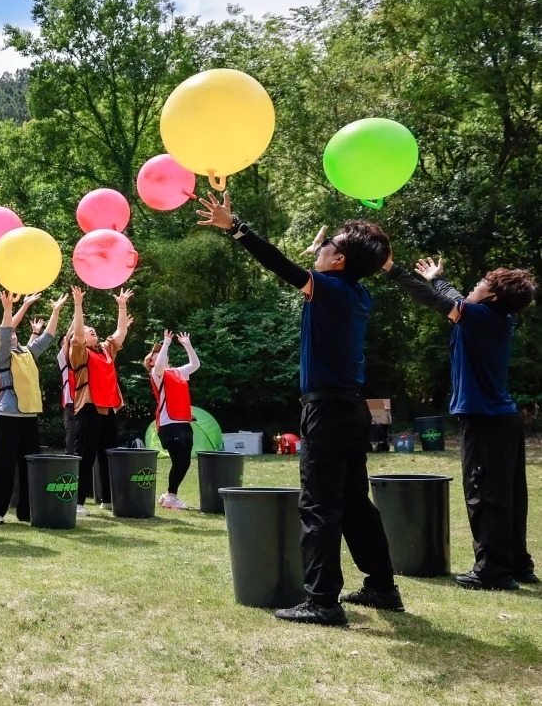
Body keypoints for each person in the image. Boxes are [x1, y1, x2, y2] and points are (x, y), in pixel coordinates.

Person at [199, 193, 400, 626]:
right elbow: (315, 276)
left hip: (326, 412)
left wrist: (236, 227)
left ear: (340, 261)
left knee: (318, 505)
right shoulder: (358, 294)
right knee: (354, 502)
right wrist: (322, 260)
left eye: (331, 246)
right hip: (350, 410)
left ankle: (322, 601)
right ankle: (383, 586)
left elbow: (282, 267)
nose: (323, 247)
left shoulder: (328, 288)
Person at [386, 255, 537, 589]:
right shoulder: (491, 316)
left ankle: (493, 572)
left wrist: (392, 270)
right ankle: (516, 564)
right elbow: (452, 297)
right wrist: (436, 277)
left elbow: (440, 302)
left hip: (485, 420)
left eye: (482, 282)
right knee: (509, 495)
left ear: (493, 296)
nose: (475, 284)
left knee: (484, 495)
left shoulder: (482, 317)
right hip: (501, 420)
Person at [0, 291, 65, 525]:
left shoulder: (28, 352)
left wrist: (56, 311)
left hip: (29, 415)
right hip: (7, 415)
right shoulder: (0, 357)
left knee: (30, 464)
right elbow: (3, 334)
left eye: (13, 335)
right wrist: (9, 308)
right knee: (4, 465)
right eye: (7, 336)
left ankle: (26, 512)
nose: (11, 337)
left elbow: (49, 336)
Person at [66, 286, 132, 514]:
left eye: (93, 329)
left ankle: (107, 499)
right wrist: (78, 304)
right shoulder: (79, 352)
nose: (92, 330)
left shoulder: (105, 350)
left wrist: (122, 306)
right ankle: (78, 502)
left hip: (109, 407)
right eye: (88, 330)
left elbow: (121, 333)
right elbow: (78, 334)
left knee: (108, 454)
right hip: (89, 406)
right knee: (85, 455)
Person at [145, 330, 201, 511]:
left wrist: (187, 344)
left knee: (185, 462)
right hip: (169, 424)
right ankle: (171, 496)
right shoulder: (156, 373)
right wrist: (166, 342)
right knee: (179, 462)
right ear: (151, 362)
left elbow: (195, 364)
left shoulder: (178, 372)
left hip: (184, 422)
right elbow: (160, 365)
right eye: (155, 355)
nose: (160, 355)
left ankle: (170, 496)